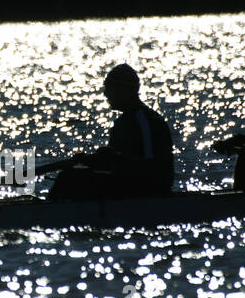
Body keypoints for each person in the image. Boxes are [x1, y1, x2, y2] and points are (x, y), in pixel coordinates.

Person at [47, 63, 175, 201]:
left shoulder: (145, 120)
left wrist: (113, 158)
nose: (105, 94)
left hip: (150, 189)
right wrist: (91, 161)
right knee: (71, 176)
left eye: (110, 88)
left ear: (125, 91)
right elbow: (113, 164)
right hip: (128, 184)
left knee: (69, 178)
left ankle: (43, 216)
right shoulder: (122, 122)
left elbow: (153, 167)